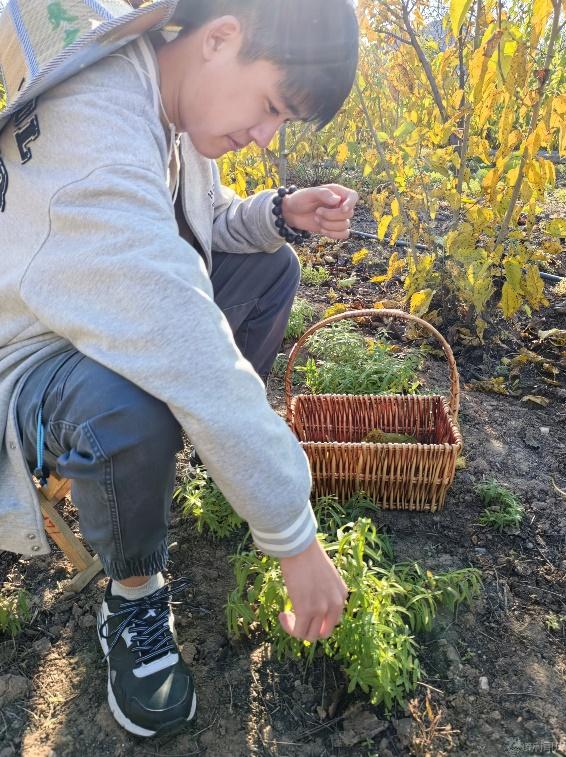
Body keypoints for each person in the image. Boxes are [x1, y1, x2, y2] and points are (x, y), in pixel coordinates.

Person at [0, 0, 359, 738]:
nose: (266, 135)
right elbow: (183, 338)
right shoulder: (95, 137)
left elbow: (204, 220)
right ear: (221, 38)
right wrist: (294, 536)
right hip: (32, 351)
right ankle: (133, 594)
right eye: (272, 106)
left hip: (101, 311)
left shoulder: (160, 90)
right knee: (129, 403)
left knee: (270, 269)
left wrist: (280, 213)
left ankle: (186, 447)